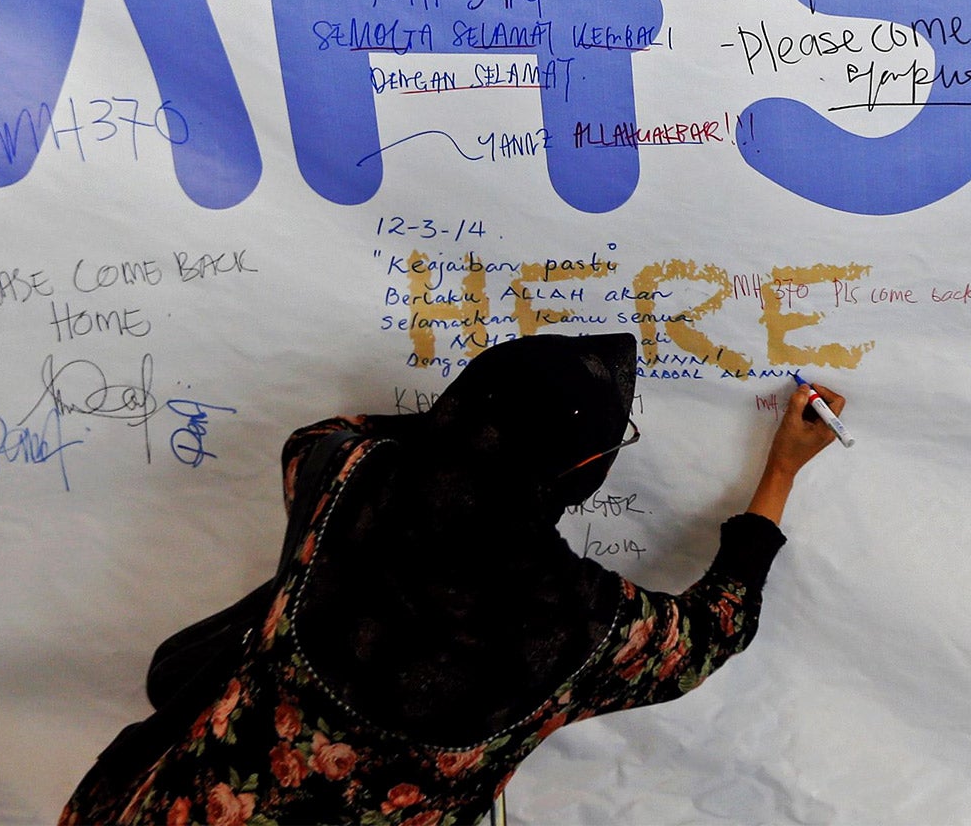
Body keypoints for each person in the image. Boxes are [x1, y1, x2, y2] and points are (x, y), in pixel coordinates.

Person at [60, 333, 845, 826]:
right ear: (580, 473)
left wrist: (463, 437)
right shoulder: (586, 625)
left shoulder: (342, 474)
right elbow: (715, 627)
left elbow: (326, 431)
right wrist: (780, 468)